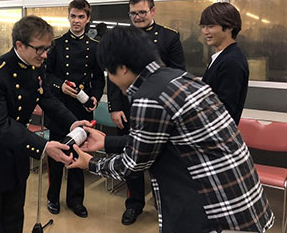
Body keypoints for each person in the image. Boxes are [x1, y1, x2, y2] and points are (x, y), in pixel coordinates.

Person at [68, 26, 274, 233]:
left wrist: (91, 163)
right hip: (242, 200)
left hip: (215, 208)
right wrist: (106, 141)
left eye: (109, 73)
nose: (110, 80)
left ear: (122, 68)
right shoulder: (180, 78)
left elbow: (132, 165)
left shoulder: (148, 97)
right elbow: (160, 139)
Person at [0, 15, 89, 233]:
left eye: (47, 48)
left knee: (14, 218)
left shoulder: (35, 65)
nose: (45, 54)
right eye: (39, 49)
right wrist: (43, 147)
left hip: (17, 153)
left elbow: (47, 98)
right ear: (19, 45)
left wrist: (72, 123)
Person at [107, 0, 186, 225]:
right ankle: (134, 204)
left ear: (152, 10)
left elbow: (178, 74)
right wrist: (114, 107)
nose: (137, 17)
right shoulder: (121, 38)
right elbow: (112, 73)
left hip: (160, 112)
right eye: (133, 13)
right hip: (129, 109)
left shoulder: (169, 38)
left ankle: (164, 204)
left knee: (163, 160)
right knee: (130, 157)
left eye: (142, 12)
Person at [45, 0, 105, 218]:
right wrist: (59, 85)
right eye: (73, 16)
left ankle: (76, 200)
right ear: (68, 16)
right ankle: (53, 197)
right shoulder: (56, 45)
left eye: (81, 17)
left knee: (79, 154)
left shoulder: (95, 47)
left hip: (82, 109)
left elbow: (99, 78)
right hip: (59, 107)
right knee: (56, 156)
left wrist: (95, 97)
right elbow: (46, 74)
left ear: (88, 19)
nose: (76, 21)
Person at [200, 2, 249, 125]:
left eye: (210, 26)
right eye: (203, 26)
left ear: (229, 26)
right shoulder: (220, 57)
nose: (205, 32)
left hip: (218, 138)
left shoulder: (232, 61)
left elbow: (225, 110)